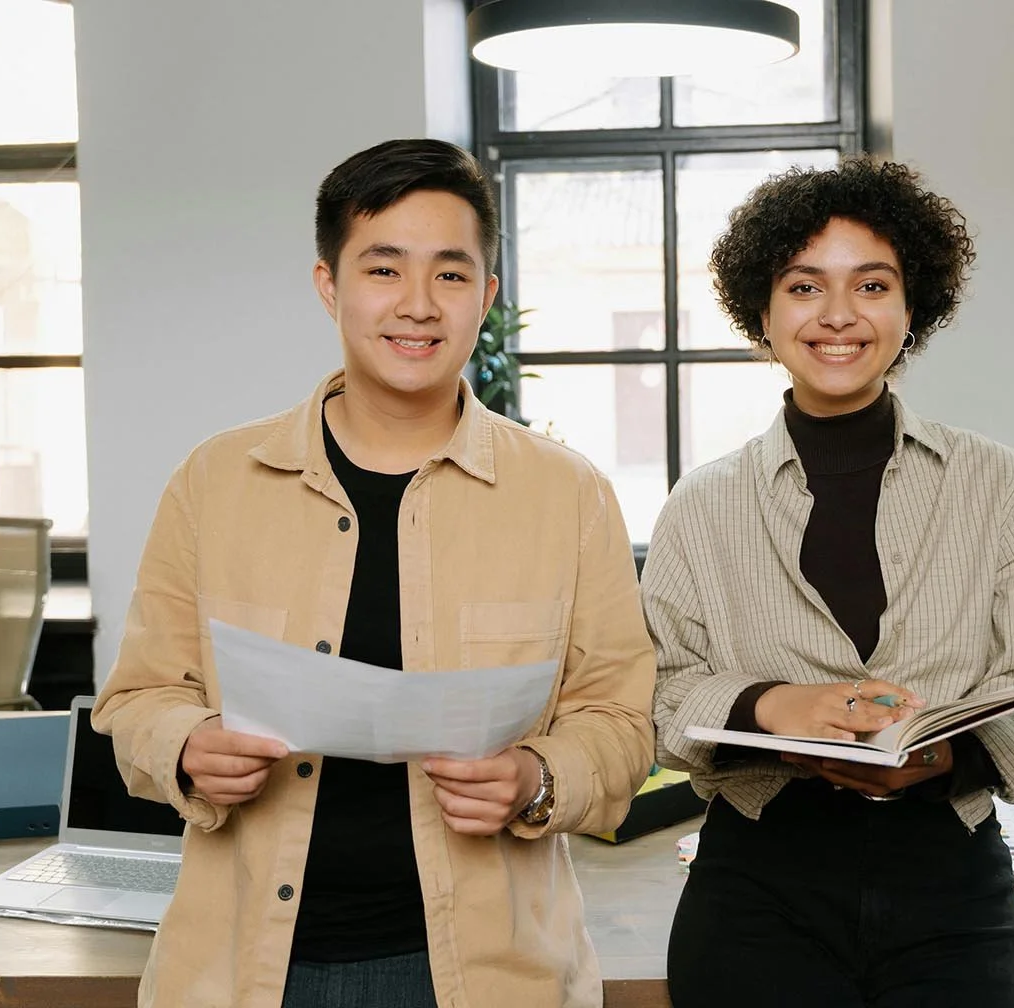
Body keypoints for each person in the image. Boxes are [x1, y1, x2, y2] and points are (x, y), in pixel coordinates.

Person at [93, 138, 656, 1008]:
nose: (418, 307)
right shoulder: (215, 479)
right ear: (330, 285)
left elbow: (621, 722)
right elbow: (135, 701)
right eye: (384, 270)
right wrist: (187, 747)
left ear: (488, 298)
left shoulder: (566, 493)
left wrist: (536, 778)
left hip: (488, 975)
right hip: (247, 969)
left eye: (451, 274)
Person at [643, 157, 1014, 1008]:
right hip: (757, 889)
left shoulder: (992, 480)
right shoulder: (702, 504)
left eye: (872, 285)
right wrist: (781, 707)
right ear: (763, 313)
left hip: (953, 884)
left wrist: (944, 755)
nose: (839, 316)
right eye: (805, 287)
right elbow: (661, 694)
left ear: (912, 305)